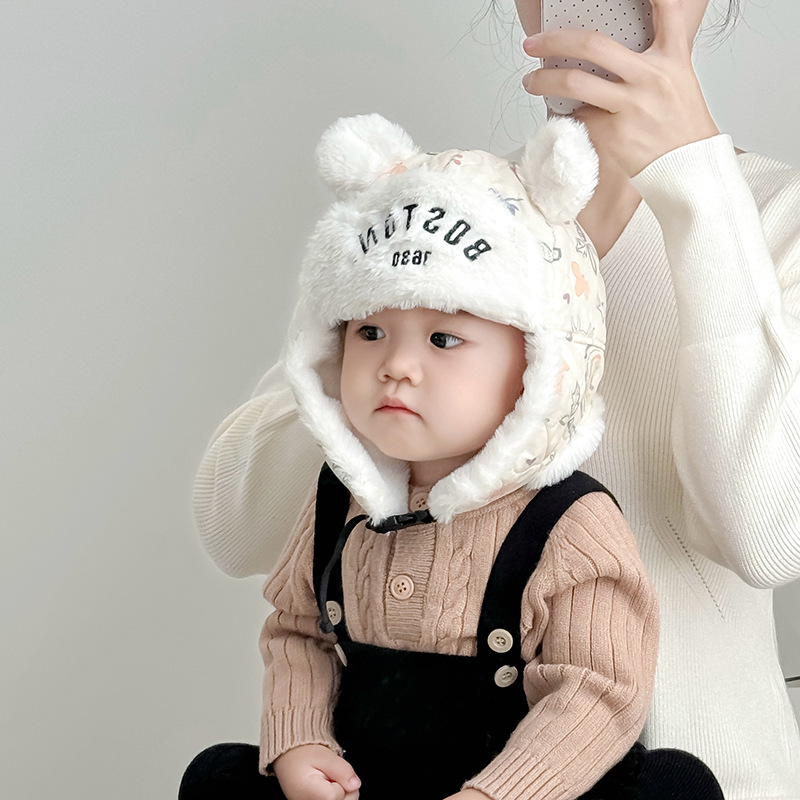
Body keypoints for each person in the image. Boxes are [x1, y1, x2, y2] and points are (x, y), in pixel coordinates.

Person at [192, 0, 800, 796]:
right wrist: (388, 310)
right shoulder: (449, 212)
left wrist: (695, 179)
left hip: (700, 772)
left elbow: (769, 538)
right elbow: (235, 528)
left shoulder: (771, 219)